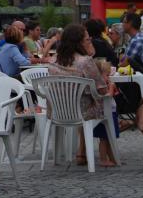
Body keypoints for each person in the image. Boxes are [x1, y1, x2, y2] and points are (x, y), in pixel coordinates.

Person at [47, 24, 118, 167]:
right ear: (78, 42)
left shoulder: (53, 61)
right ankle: (108, 154)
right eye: (87, 39)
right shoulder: (85, 62)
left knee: (85, 101)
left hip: (59, 112)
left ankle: (82, 152)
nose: (90, 41)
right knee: (111, 104)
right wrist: (111, 87)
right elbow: (101, 91)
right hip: (84, 112)